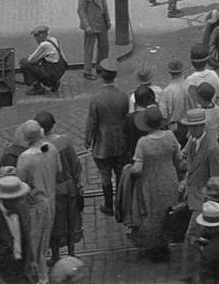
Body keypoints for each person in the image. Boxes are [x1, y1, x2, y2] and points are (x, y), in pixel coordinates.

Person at [128, 105, 183, 262]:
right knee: (168, 212)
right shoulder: (170, 136)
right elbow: (178, 160)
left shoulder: (143, 142)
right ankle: (165, 245)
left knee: (152, 214)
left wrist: (129, 170)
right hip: (169, 180)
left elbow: (138, 168)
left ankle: (154, 248)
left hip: (151, 183)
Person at [33, 111, 84, 266]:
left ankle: (55, 255)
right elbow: (75, 165)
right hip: (67, 189)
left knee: (53, 224)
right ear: (53, 125)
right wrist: (77, 182)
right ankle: (71, 253)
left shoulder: (36, 148)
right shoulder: (64, 142)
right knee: (70, 220)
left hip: (48, 190)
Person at [180, 107, 219, 283]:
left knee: (191, 236)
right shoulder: (193, 141)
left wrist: (210, 204)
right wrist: (185, 182)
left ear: (201, 126)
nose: (189, 130)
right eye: (189, 127)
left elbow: (216, 180)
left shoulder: (212, 148)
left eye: (193, 127)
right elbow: (189, 164)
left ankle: (189, 274)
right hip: (192, 194)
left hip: (202, 201)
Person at [14, 120, 59, 284]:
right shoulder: (52, 148)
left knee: (35, 243)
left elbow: (21, 183)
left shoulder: (24, 158)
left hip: (35, 204)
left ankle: (41, 275)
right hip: (51, 198)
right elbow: (58, 170)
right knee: (45, 239)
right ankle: (41, 272)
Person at [84, 57, 129, 217]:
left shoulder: (96, 98)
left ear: (101, 75)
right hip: (120, 141)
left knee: (105, 175)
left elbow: (92, 122)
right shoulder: (123, 95)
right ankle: (122, 204)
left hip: (102, 143)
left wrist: (88, 139)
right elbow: (126, 116)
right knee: (120, 173)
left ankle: (108, 205)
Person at [0, 175, 36, 284]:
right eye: (18, 199)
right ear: (7, 200)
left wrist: (32, 260)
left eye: (22, 198)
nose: (22, 202)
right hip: (2, 275)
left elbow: (27, 238)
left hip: (22, 272)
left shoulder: (24, 209)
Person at [77, 0, 111, 79]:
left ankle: (101, 66)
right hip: (91, 24)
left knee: (104, 46)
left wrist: (107, 19)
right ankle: (87, 70)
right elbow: (81, 10)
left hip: (102, 22)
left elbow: (104, 5)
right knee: (89, 48)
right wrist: (86, 25)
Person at [19, 25, 67, 94]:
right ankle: (54, 82)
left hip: (53, 71)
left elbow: (30, 60)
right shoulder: (53, 39)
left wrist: (33, 58)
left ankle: (38, 87)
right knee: (40, 62)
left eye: (36, 36)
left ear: (42, 35)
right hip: (60, 69)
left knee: (24, 62)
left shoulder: (44, 45)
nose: (35, 39)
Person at [159, 58, 192, 146]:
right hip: (192, 124)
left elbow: (164, 115)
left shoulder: (167, 91)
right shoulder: (190, 86)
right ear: (182, 71)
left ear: (169, 72)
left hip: (175, 128)